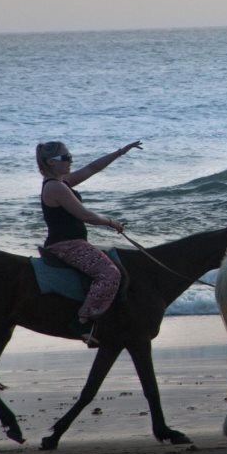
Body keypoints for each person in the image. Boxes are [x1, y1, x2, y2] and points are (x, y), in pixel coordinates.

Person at [36, 140, 141, 347]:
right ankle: (82, 321)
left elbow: (92, 168)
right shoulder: (55, 187)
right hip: (66, 245)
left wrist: (120, 152)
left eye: (70, 156)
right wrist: (111, 222)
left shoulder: (62, 181)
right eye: (65, 157)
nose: (70, 160)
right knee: (110, 274)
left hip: (76, 242)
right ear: (51, 162)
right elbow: (85, 215)